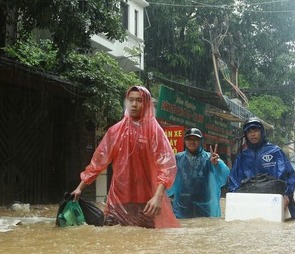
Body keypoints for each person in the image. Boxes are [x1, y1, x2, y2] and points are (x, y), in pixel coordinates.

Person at [70, 86, 179, 228]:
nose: (134, 104)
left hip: (146, 202)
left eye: (139, 100)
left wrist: (158, 196)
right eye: (131, 100)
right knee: (115, 242)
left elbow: (166, 167)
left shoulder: (154, 131)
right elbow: (98, 162)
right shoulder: (115, 131)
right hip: (118, 200)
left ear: (146, 103)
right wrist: (79, 188)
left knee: (144, 244)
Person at [228, 117, 295, 219]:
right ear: (245, 135)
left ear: (261, 132)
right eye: (249, 132)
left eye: (255, 131)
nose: (252, 134)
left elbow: (288, 175)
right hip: (250, 203)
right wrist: (235, 200)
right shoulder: (242, 155)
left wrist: (286, 195)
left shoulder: (275, 151)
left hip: (278, 201)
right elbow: (234, 181)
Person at [166, 128, 230, 218]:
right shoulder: (178, 158)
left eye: (195, 139)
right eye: (189, 139)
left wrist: (216, 165)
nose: (192, 142)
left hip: (205, 206)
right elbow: (167, 177)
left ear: (201, 141)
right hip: (183, 206)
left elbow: (224, 175)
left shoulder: (210, 158)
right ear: (185, 141)